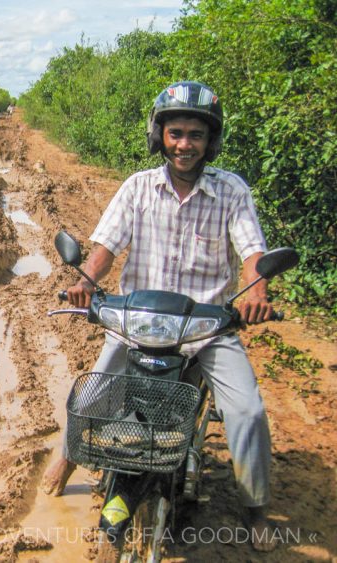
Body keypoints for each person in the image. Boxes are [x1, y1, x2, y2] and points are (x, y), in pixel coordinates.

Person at [41, 81, 279, 552]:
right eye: (176, 133)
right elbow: (105, 247)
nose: (185, 144)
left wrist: (258, 289)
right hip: (138, 324)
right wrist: (87, 280)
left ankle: (256, 509)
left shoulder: (231, 191)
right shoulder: (137, 188)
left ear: (211, 141)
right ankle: (67, 458)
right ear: (160, 135)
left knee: (248, 411)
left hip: (206, 329)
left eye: (195, 134)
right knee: (92, 397)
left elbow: (253, 251)